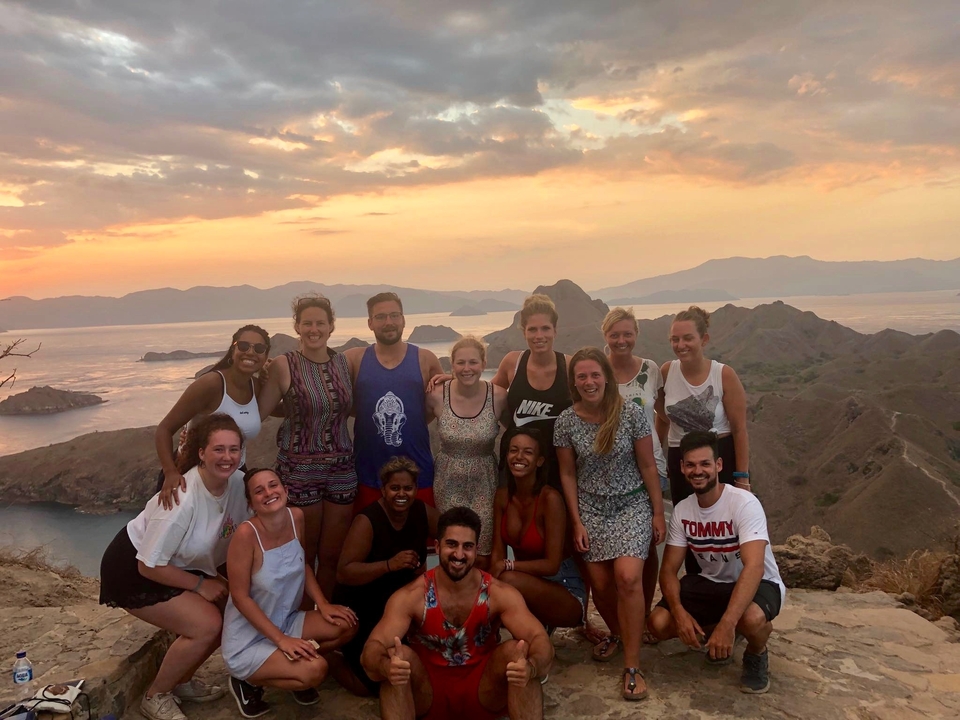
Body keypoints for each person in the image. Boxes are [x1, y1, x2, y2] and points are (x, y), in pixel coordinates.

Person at [99, 414, 251, 720]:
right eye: (218, 449)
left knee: (229, 612)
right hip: (136, 569)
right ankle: (155, 696)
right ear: (201, 453)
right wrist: (200, 585)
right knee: (206, 625)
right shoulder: (182, 499)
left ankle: (180, 681)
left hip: (179, 563)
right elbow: (149, 565)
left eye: (234, 449)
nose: (227, 457)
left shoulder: (237, 483)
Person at [361, 507, 554, 720]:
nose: (459, 555)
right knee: (398, 659)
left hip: (484, 692)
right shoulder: (411, 596)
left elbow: (540, 640)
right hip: (426, 695)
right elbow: (371, 650)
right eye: (451, 544)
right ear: (437, 546)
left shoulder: (499, 593)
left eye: (467, 546)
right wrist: (386, 667)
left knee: (517, 654)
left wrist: (532, 668)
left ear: (476, 550)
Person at [554, 348, 666, 701]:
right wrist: (576, 521)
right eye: (582, 376)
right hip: (589, 507)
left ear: (606, 377)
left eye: (595, 375)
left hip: (631, 502)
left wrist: (657, 512)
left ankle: (632, 666)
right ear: (574, 382)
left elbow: (649, 466)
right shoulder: (566, 422)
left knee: (628, 578)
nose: (589, 382)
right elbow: (568, 473)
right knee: (601, 584)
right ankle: (621, 634)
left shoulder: (630, 414)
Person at [647, 431, 784, 694]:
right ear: (682, 468)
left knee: (752, 619)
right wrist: (679, 613)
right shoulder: (684, 510)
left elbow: (754, 567)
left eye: (705, 464)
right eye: (691, 464)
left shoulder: (744, 504)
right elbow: (668, 571)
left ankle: (756, 650)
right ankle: (719, 635)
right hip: (711, 583)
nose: (698, 471)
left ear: (718, 465)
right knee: (659, 623)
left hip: (757, 583)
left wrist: (728, 623)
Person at [222, 468, 358, 717]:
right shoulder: (246, 535)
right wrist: (281, 641)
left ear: (285, 490)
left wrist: (323, 604)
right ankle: (249, 681)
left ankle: (288, 665)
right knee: (315, 670)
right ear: (251, 503)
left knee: (346, 623)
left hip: (287, 621)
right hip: (249, 637)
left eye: (273, 485)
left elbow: (303, 564)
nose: (268, 493)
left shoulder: (296, 517)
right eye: (259, 491)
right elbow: (240, 598)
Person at [257, 294, 356, 597]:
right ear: (297, 327)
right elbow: (259, 412)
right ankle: (300, 623)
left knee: (332, 555)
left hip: (342, 469)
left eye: (320, 323)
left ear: (331, 327)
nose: (314, 329)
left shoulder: (343, 362)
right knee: (303, 555)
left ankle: (324, 625)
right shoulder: (284, 365)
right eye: (307, 323)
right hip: (299, 471)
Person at [333, 457, 440, 696]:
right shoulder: (367, 520)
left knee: (418, 668)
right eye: (394, 488)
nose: (401, 494)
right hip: (362, 602)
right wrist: (389, 565)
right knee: (370, 684)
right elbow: (344, 572)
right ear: (383, 490)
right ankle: (331, 658)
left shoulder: (422, 511)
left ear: (416, 489)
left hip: (398, 603)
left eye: (408, 488)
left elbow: (451, 532)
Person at [660, 306, 750, 575]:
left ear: (704, 339)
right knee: (689, 526)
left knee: (726, 525)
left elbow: (740, 429)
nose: (680, 345)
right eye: (675, 339)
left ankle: (733, 586)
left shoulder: (723, 375)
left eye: (687, 338)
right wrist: (658, 457)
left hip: (719, 454)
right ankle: (694, 586)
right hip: (680, 458)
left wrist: (742, 477)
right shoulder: (666, 372)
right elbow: (661, 417)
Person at [602, 307, 668, 640]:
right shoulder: (598, 372)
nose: (621, 340)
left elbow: (663, 413)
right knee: (614, 548)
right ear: (605, 336)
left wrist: (658, 447)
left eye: (627, 333)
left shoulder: (650, 370)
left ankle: (641, 614)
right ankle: (620, 616)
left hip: (648, 468)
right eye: (615, 334)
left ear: (636, 334)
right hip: (608, 473)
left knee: (647, 545)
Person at [345, 292, 443, 512]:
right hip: (368, 472)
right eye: (380, 317)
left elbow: (440, 406)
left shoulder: (425, 359)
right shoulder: (354, 359)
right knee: (371, 540)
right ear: (370, 323)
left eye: (394, 315)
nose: (388, 322)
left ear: (403, 319)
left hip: (418, 473)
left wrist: (458, 379)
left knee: (421, 542)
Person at [155, 325, 269, 508]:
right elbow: (164, 429)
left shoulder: (255, 387)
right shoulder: (211, 384)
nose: (251, 352)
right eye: (244, 346)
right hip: (191, 475)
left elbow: (279, 408)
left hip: (233, 474)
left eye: (259, 349)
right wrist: (170, 473)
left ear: (265, 357)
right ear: (233, 349)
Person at [491, 428, 585, 630]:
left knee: (506, 578)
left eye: (528, 452)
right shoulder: (501, 497)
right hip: (526, 583)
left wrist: (508, 565)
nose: (519, 457)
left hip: (563, 588)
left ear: (539, 461)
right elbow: (496, 555)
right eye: (513, 450)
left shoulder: (550, 499)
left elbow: (551, 565)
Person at [426, 337, 506, 567]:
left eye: (473, 362)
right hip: (447, 480)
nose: (467, 368)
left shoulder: (499, 397)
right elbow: (415, 426)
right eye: (460, 363)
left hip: (485, 482)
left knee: (481, 550)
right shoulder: (436, 395)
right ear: (452, 364)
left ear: (483, 363)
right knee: (452, 547)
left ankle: (481, 601)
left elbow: (517, 433)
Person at [491, 294, 572, 490]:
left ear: (555, 331)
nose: (539, 335)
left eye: (545, 328)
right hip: (517, 461)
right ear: (524, 332)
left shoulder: (569, 366)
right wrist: (453, 380)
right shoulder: (513, 362)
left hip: (556, 463)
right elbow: (485, 395)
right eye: (532, 329)